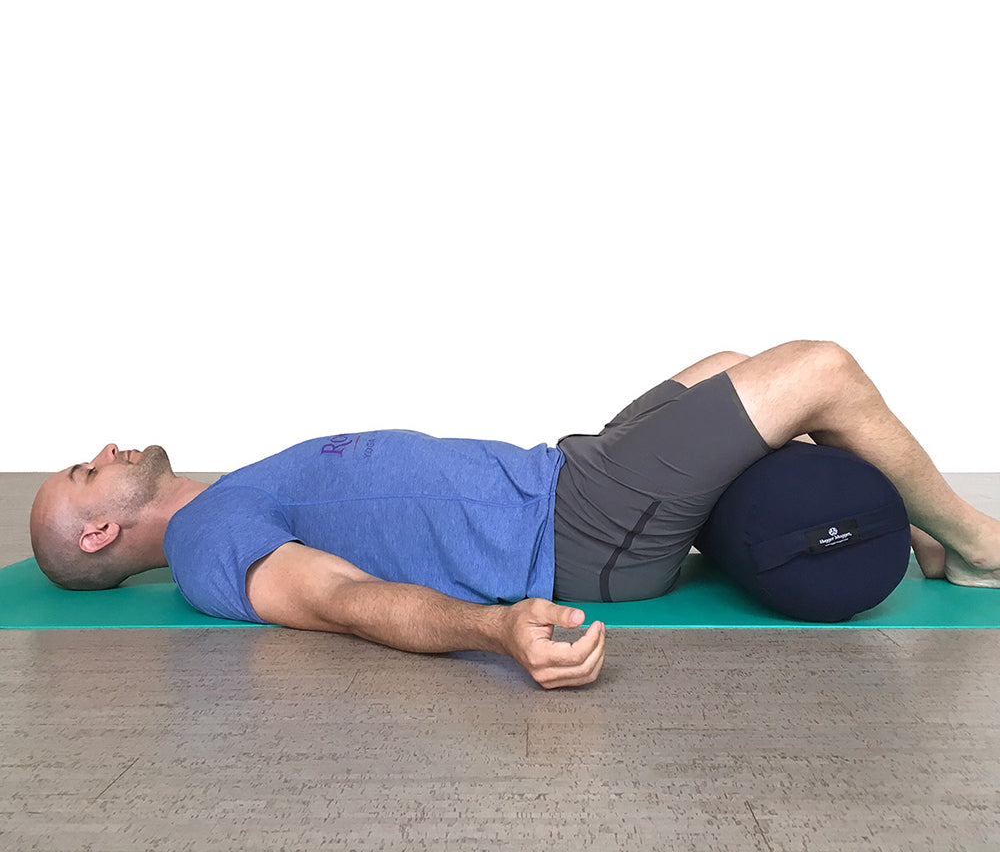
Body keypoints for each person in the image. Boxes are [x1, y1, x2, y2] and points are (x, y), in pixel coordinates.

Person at [29, 340, 1000, 689]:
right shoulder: (208, 543)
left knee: (721, 359)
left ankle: (906, 527)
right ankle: (975, 544)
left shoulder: (226, 490)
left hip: (567, 470)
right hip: (574, 530)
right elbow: (343, 601)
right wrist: (494, 630)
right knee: (819, 368)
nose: (108, 448)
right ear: (101, 533)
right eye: (86, 471)